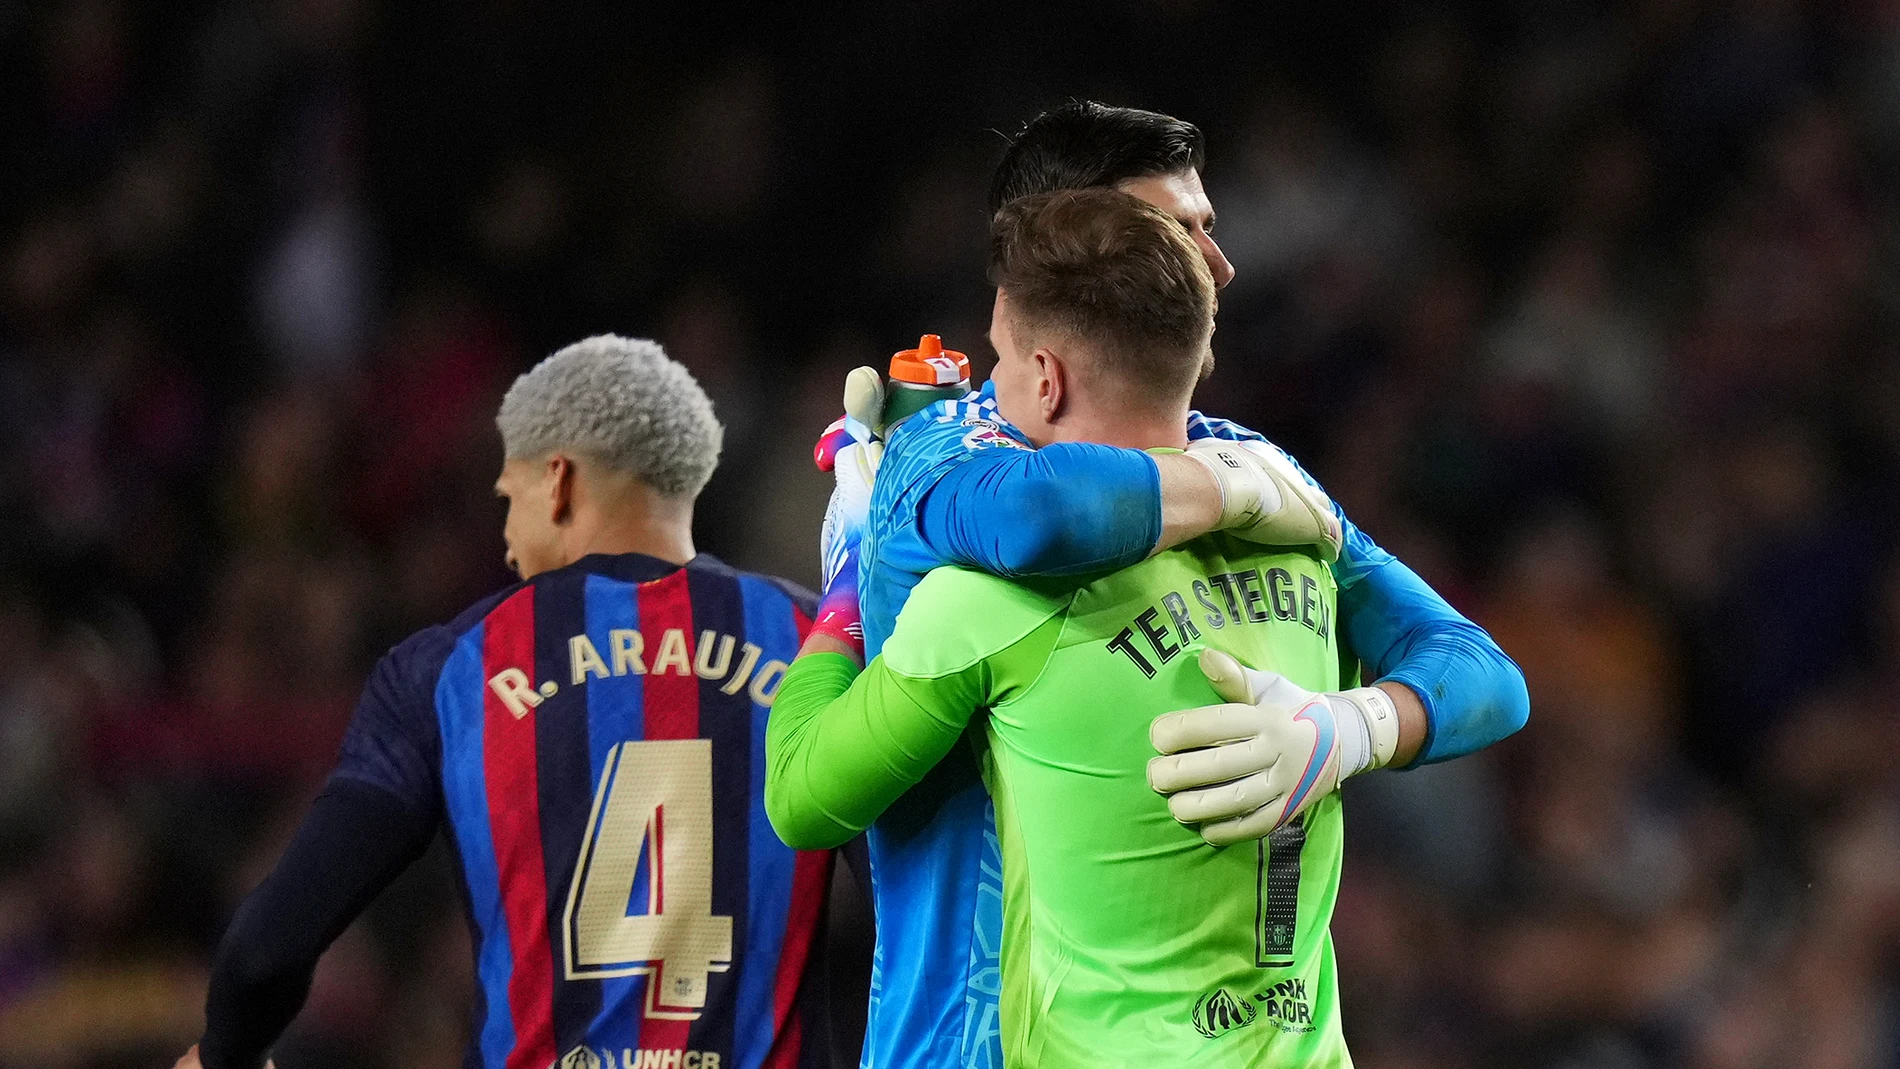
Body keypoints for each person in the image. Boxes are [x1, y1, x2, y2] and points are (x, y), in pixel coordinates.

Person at [802, 102, 1530, 1069]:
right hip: (963, 1037)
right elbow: (1042, 518)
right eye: (1178, 232)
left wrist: (1348, 728)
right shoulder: (942, 448)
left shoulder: (1250, 457)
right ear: (1078, 247)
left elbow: (1483, 674)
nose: (1215, 268)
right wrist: (1233, 491)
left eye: (1209, 230)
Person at [773, 188, 1378, 1067]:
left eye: (1001, 365)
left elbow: (801, 797)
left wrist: (847, 586)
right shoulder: (1308, 555)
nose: (988, 392)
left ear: (1047, 379)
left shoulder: (988, 602)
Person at [176, 336, 836, 1069]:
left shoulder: (447, 668)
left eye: (508, 496)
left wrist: (224, 1051)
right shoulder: (818, 639)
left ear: (557, 481)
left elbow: (266, 949)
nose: (505, 533)